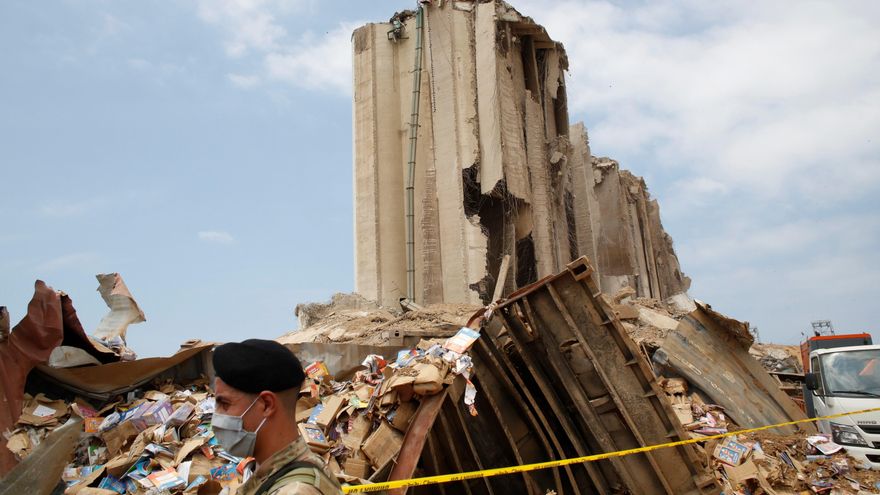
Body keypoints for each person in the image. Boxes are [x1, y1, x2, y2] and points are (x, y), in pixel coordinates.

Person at [211, 339, 342, 495]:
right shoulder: (268, 471)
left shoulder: (295, 491)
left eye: (224, 403)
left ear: (266, 404)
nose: (216, 416)